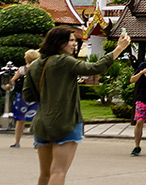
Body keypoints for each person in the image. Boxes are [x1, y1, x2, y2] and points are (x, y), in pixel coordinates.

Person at [23, 28, 131, 185]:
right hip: (65, 121)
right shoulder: (64, 61)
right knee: (58, 171)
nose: (75, 44)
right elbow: (94, 68)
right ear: (59, 42)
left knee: (45, 174)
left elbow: (28, 96)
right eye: (71, 40)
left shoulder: (34, 65)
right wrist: (119, 48)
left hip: (42, 124)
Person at [3, 49, 39, 148]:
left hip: (22, 96)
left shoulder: (22, 69)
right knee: (36, 119)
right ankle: (37, 141)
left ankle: (17, 142)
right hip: (36, 96)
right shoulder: (39, 68)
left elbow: (13, 80)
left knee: (20, 119)